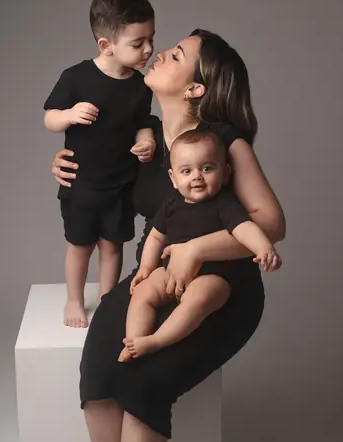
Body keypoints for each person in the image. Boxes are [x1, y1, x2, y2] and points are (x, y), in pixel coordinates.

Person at [51, 29, 286, 442]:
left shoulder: (225, 144)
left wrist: (198, 248)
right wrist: (64, 167)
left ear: (197, 87)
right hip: (149, 282)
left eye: (178, 54)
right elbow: (101, 193)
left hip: (221, 292)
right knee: (98, 378)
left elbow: (271, 223)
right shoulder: (145, 139)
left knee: (145, 384)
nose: (163, 53)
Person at [43, 0, 156, 328]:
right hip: (82, 183)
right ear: (106, 45)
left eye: (151, 39)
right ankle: (74, 301)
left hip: (120, 182)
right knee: (80, 245)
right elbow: (49, 117)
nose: (148, 50)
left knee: (113, 245)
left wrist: (146, 138)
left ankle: (108, 301)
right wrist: (69, 114)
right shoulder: (76, 77)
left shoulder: (139, 86)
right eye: (138, 44)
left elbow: (139, 122)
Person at [118, 128, 282, 362]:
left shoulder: (224, 204)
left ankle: (157, 340)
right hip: (171, 271)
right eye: (186, 171)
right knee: (143, 292)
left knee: (198, 299)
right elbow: (155, 237)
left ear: (225, 173)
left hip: (214, 275)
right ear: (174, 179)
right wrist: (146, 269)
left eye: (207, 168)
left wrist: (263, 248)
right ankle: (134, 339)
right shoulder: (171, 205)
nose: (197, 176)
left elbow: (244, 228)